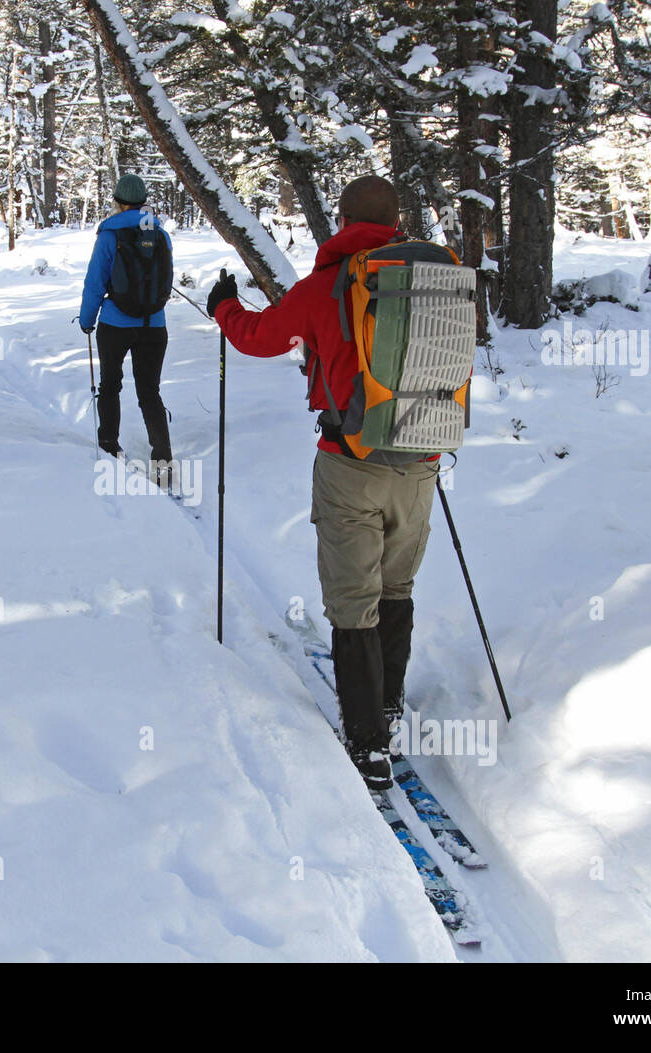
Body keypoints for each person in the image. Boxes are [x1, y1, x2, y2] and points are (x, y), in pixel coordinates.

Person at [205, 176, 437, 790]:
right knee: (396, 585)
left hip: (349, 463)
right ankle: (388, 706)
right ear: (397, 221)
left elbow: (259, 338)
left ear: (341, 220)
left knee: (351, 597)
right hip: (420, 461)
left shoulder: (326, 286)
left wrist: (224, 306)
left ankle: (368, 744)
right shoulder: (431, 279)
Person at [79, 174, 174, 486]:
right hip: (154, 324)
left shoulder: (109, 236)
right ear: (143, 201)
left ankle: (109, 445)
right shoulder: (159, 234)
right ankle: (163, 459)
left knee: (110, 385)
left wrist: (87, 319)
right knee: (150, 391)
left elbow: (95, 282)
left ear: (118, 202)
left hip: (115, 323)